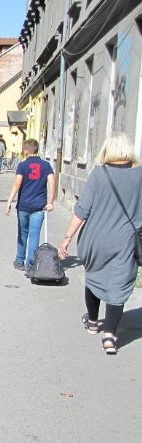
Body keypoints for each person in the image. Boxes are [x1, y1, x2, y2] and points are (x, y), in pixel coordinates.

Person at [57, 132, 142, 355]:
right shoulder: (140, 175)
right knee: (120, 284)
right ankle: (110, 336)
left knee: (94, 278)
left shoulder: (99, 174)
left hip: (95, 239)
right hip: (125, 240)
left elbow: (82, 210)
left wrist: (66, 238)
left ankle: (93, 322)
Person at [5, 138, 54, 271]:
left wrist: (9, 201)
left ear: (26, 151)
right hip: (39, 206)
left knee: (22, 233)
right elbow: (52, 182)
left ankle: (19, 260)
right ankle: (30, 264)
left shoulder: (22, 165)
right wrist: (50, 202)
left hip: (24, 206)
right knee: (34, 234)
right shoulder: (46, 165)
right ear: (37, 150)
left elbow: (17, 184)